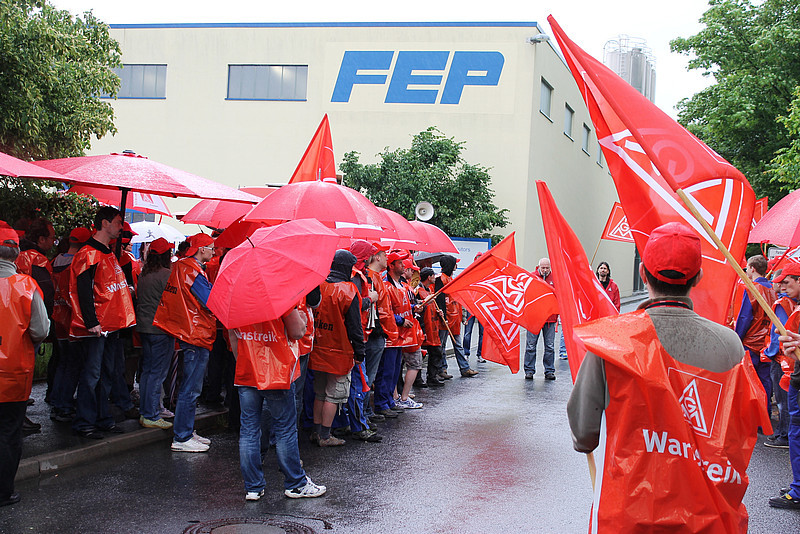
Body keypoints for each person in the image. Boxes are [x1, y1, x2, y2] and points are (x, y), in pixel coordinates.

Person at [568, 222, 769, 532]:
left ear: (643, 274)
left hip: (630, 514)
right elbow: (746, 428)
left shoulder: (611, 343)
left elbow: (584, 435)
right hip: (711, 516)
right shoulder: (730, 346)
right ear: (698, 277)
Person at [232, 308, 327, 500]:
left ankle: (253, 487)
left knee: (249, 430)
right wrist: (301, 318)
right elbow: (297, 332)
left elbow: (233, 338)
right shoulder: (280, 297)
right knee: (285, 429)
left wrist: (245, 362)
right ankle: (295, 483)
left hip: (247, 370)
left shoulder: (238, 301)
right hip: (277, 371)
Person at [69, 207, 136, 439]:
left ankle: (102, 418)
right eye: (118, 222)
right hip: (99, 327)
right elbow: (83, 289)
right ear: (105, 223)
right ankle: (86, 421)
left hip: (111, 325)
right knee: (92, 375)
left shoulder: (107, 253)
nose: (121, 227)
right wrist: (91, 321)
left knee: (107, 373)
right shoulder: (88, 253)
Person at [0, 222, 49, 507]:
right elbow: (41, 330)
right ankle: (3, 492)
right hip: (13, 372)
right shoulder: (25, 285)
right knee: (8, 433)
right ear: (17, 253)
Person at [154, 233, 216, 452]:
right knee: (191, 389)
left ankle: (186, 431)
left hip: (187, 331)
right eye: (211, 247)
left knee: (189, 387)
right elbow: (210, 302)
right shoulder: (194, 271)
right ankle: (182, 436)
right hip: (196, 333)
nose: (213, 251)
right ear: (201, 250)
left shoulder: (181, 266)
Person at [308, 250, 365, 446]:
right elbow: (354, 326)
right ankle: (325, 436)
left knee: (320, 393)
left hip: (317, 349)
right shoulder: (349, 290)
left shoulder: (319, 285)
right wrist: (360, 352)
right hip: (339, 352)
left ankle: (316, 432)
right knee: (333, 395)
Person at [49, 227, 91, 422]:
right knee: (73, 365)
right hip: (73, 320)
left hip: (57, 318)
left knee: (63, 363)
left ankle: (57, 401)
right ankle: (64, 405)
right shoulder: (77, 264)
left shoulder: (54, 261)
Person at [134, 238, 175, 430]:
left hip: (144, 327)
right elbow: (174, 301)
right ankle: (151, 414)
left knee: (148, 372)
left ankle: (146, 412)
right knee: (157, 373)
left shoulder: (144, 274)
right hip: (161, 328)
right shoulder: (167, 275)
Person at [770, 265, 800, 509]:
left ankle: (798, 490)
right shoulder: (792, 303)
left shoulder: (786, 305)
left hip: (796, 377)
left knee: (796, 432)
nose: (781, 286)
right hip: (793, 375)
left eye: (787, 281)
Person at [734, 255, 777, 419]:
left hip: (751, 342)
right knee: (765, 381)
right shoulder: (774, 288)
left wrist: (738, 337)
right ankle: (764, 416)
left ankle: (752, 416)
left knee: (749, 381)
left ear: (752, 268)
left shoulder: (752, 288)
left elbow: (745, 317)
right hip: (767, 343)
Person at [435, 255, 477, 378]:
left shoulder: (450, 279)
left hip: (454, 318)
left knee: (457, 344)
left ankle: (464, 368)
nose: (456, 266)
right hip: (445, 319)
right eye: (454, 263)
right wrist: (444, 318)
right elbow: (440, 300)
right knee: (442, 345)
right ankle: (443, 369)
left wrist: (462, 317)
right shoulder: (440, 279)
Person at [524, 258, 557, 380]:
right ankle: (529, 370)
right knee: (530, 346)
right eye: (542, 268)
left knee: (550, 346)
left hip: (550, 319)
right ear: (538, 267)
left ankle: (549, 370)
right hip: (534, 318)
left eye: (547, 268)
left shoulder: (555, 279)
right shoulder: (532, 277)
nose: (545, 270)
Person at [417, 267, 445, 387]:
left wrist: (439, 313)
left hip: (432, 327)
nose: (435, 278)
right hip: (425, 327)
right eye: (433, 275)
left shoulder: (428, 290)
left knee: (435, 353)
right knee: (420, 355)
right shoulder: (418, 291)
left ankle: (431, 377)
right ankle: (418, 379)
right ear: (429, 277)